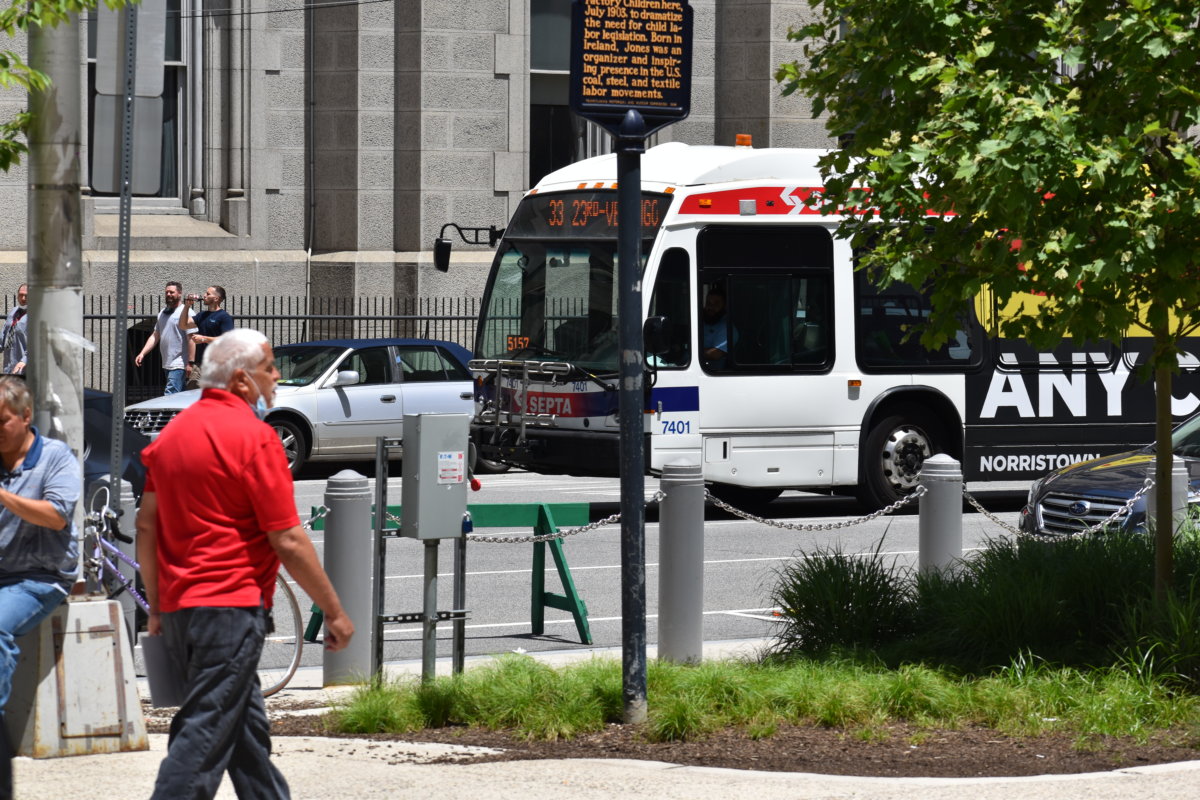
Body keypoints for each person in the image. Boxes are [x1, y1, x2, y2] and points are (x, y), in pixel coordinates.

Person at [136, 328, 353, 800]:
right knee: (202, 735)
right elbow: (289, 539)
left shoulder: (172, 436)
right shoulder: (257, 439)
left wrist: (156, 607)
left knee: (244, 734)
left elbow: (147, 530)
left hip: (177, 608)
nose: (276, 377)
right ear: (240, 380)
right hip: (230, 608)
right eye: (269, 367)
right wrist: (333, 611)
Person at [0, 377, 80, 795]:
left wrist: (3, 496)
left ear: (26, 416)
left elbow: (56, 516)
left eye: (1, 422)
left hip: (40, 577)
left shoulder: (55, 458)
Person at [134, 281, 195, 395]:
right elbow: (155, 335)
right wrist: (142, 353)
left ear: (180, 293)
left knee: (170, 395)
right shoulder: (163, 313)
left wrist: (190, 363)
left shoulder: (187, 312)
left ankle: (169, 414)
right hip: (167, 363)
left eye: (172, 292)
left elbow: (192, 339)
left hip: (180, 364)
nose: (168, 294)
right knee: (179, 397)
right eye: (166, 292)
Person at [179, 286, 234, 389]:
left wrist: (204, 339)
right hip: (199, 365)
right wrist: (186, 306)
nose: (204, 295)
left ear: (216, 298)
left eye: (208, 294)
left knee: (214, 397)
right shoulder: (202, 315)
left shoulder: (224, 317)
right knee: (192, 395)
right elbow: (183, 325)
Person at [701, 285, 736, 370]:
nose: (711, 307)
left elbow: (715, 354)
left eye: (716, 303)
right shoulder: (703, 322)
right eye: (708, 303)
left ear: (725, 306)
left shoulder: (728, 328)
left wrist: (687, 352)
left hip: (714, 375)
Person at [0, 285, 28, 375]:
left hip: (24, 367)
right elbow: (3, 335)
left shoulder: (35, 316)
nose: (23, 298)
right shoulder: (13, 312)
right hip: (8, 366)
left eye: (26, 296)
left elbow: (37, 344)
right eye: (21, 295)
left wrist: (24, 360)